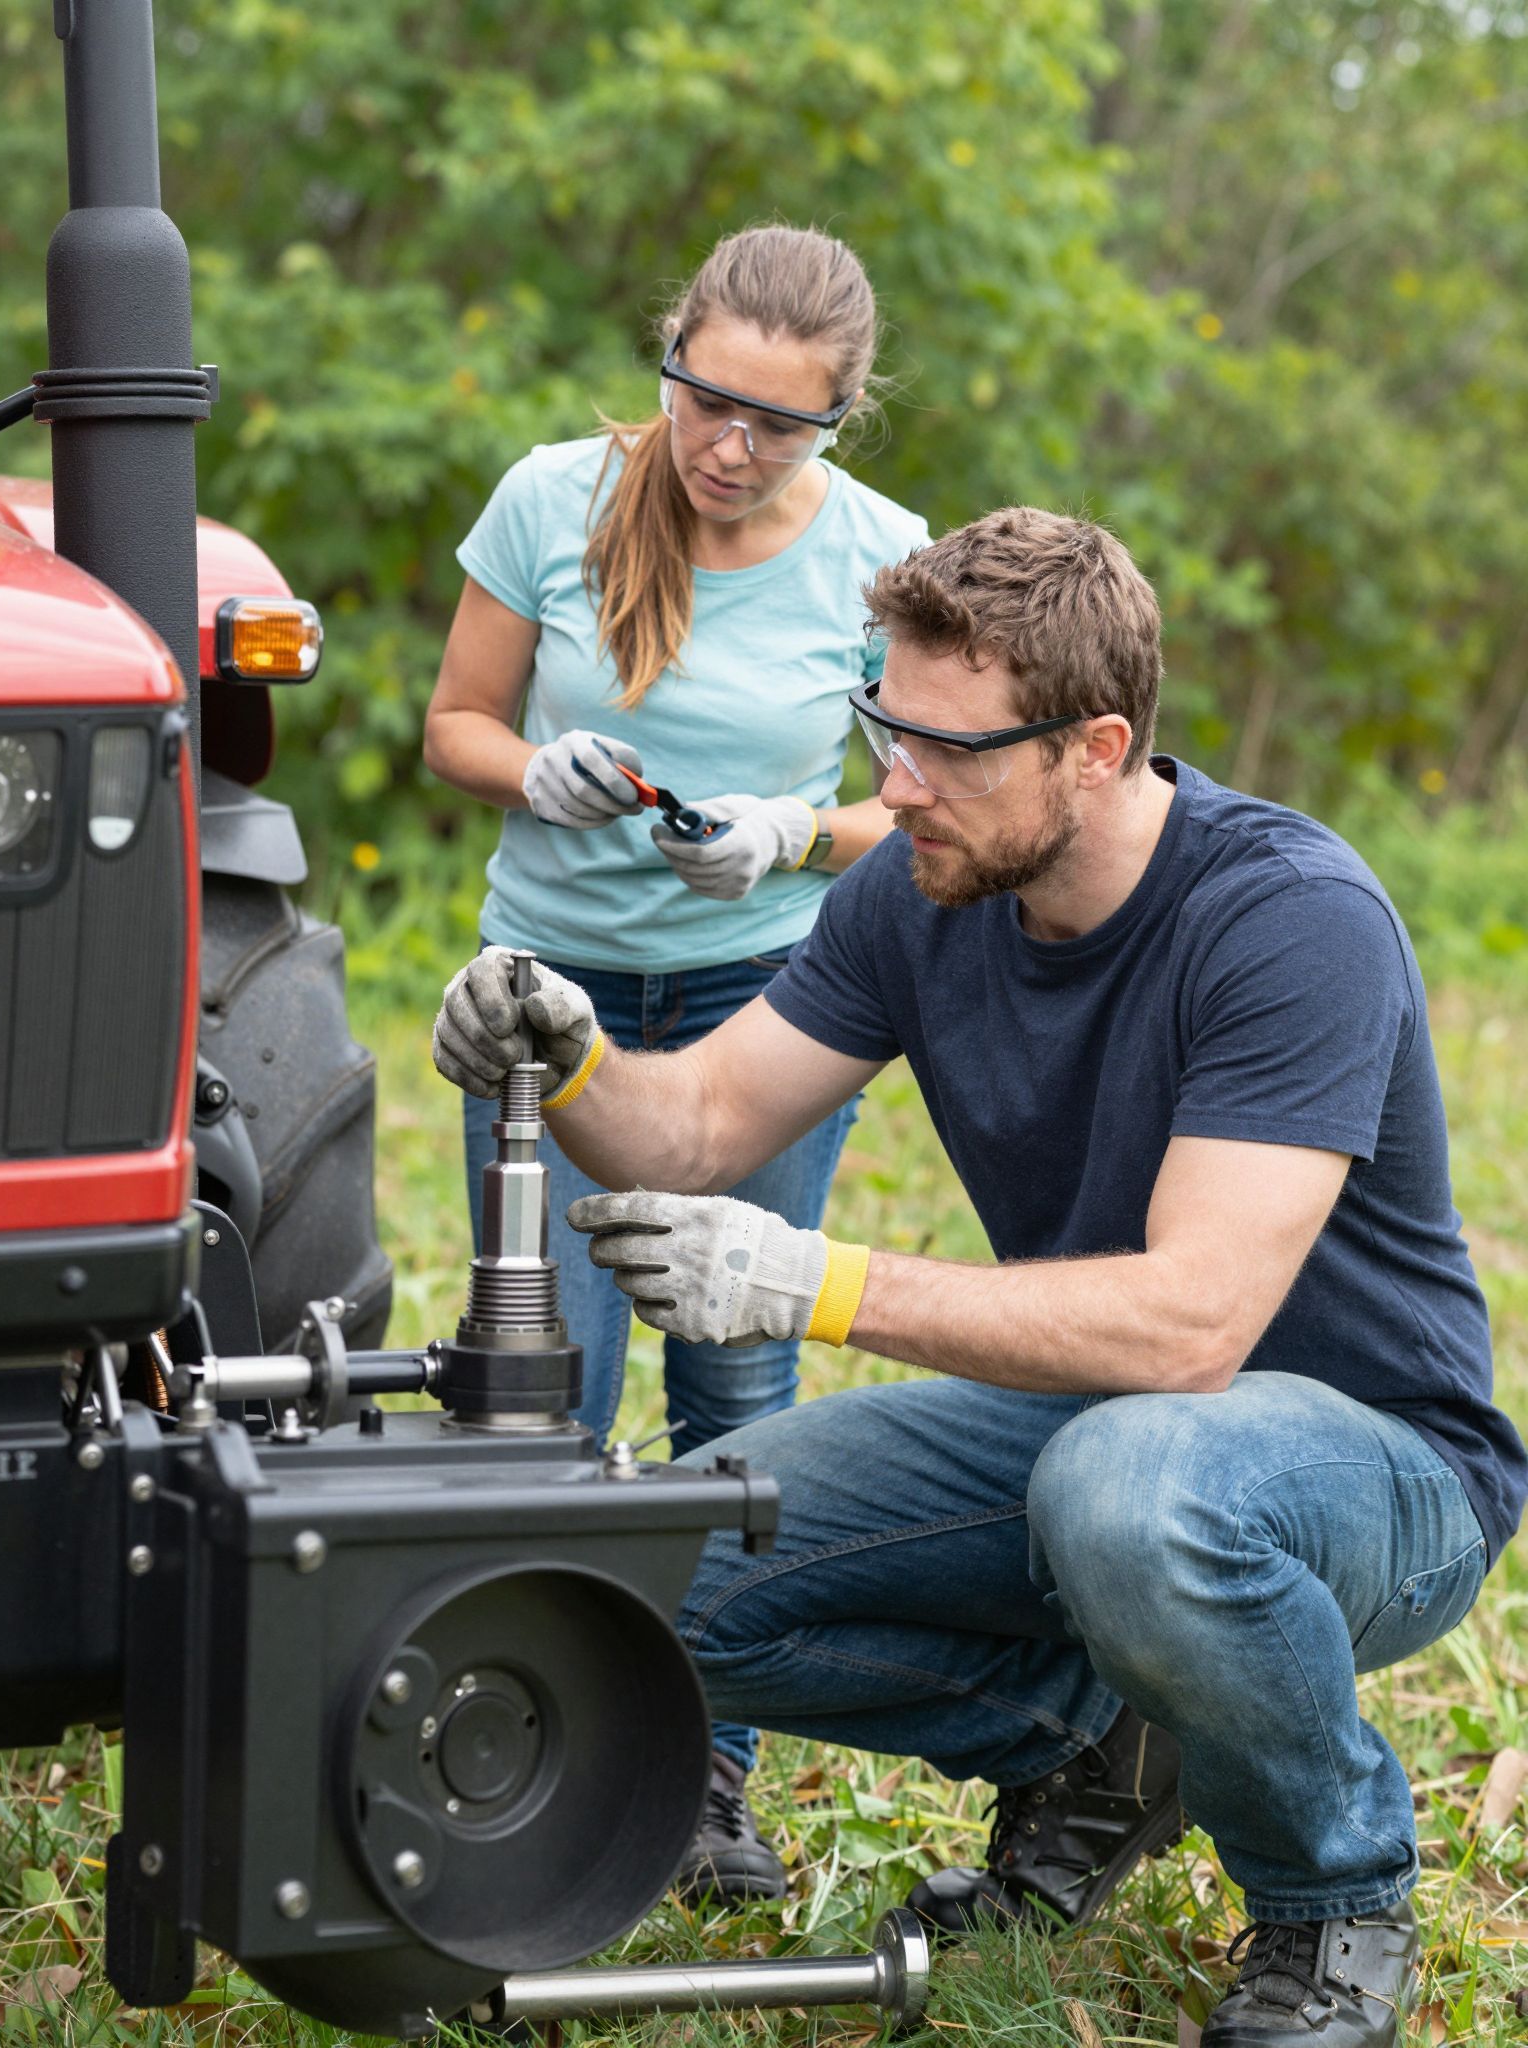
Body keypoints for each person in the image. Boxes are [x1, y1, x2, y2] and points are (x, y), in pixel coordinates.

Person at [432, 505, 1527, 2048]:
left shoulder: (1289, 919)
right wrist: (568, 1045)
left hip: (1375, 1466)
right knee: (652, 1573)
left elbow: (1195, 1320)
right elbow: (694, 1128)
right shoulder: (923, 891)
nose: (893, 785)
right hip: (1097, 1425)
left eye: (947, 750)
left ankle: (1332, 1898)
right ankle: (1102, 1747)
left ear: (1094, 746)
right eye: (883, 725)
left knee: (1136, 1494)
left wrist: (810, 1280)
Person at [423, 223, 928, 1898]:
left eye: (780, 424)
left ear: (841, 420)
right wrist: (535, 774)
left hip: (765, 1007)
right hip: (550, 1004)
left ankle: (708, 1777)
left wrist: (794, 832)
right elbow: (456, 726)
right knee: (545, 1391)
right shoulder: (551, 495)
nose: (729, 446)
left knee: (735, 1380)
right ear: (672, 359)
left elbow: (910, 807)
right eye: (706, 399)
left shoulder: (883, 555)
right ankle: (525, 1748)